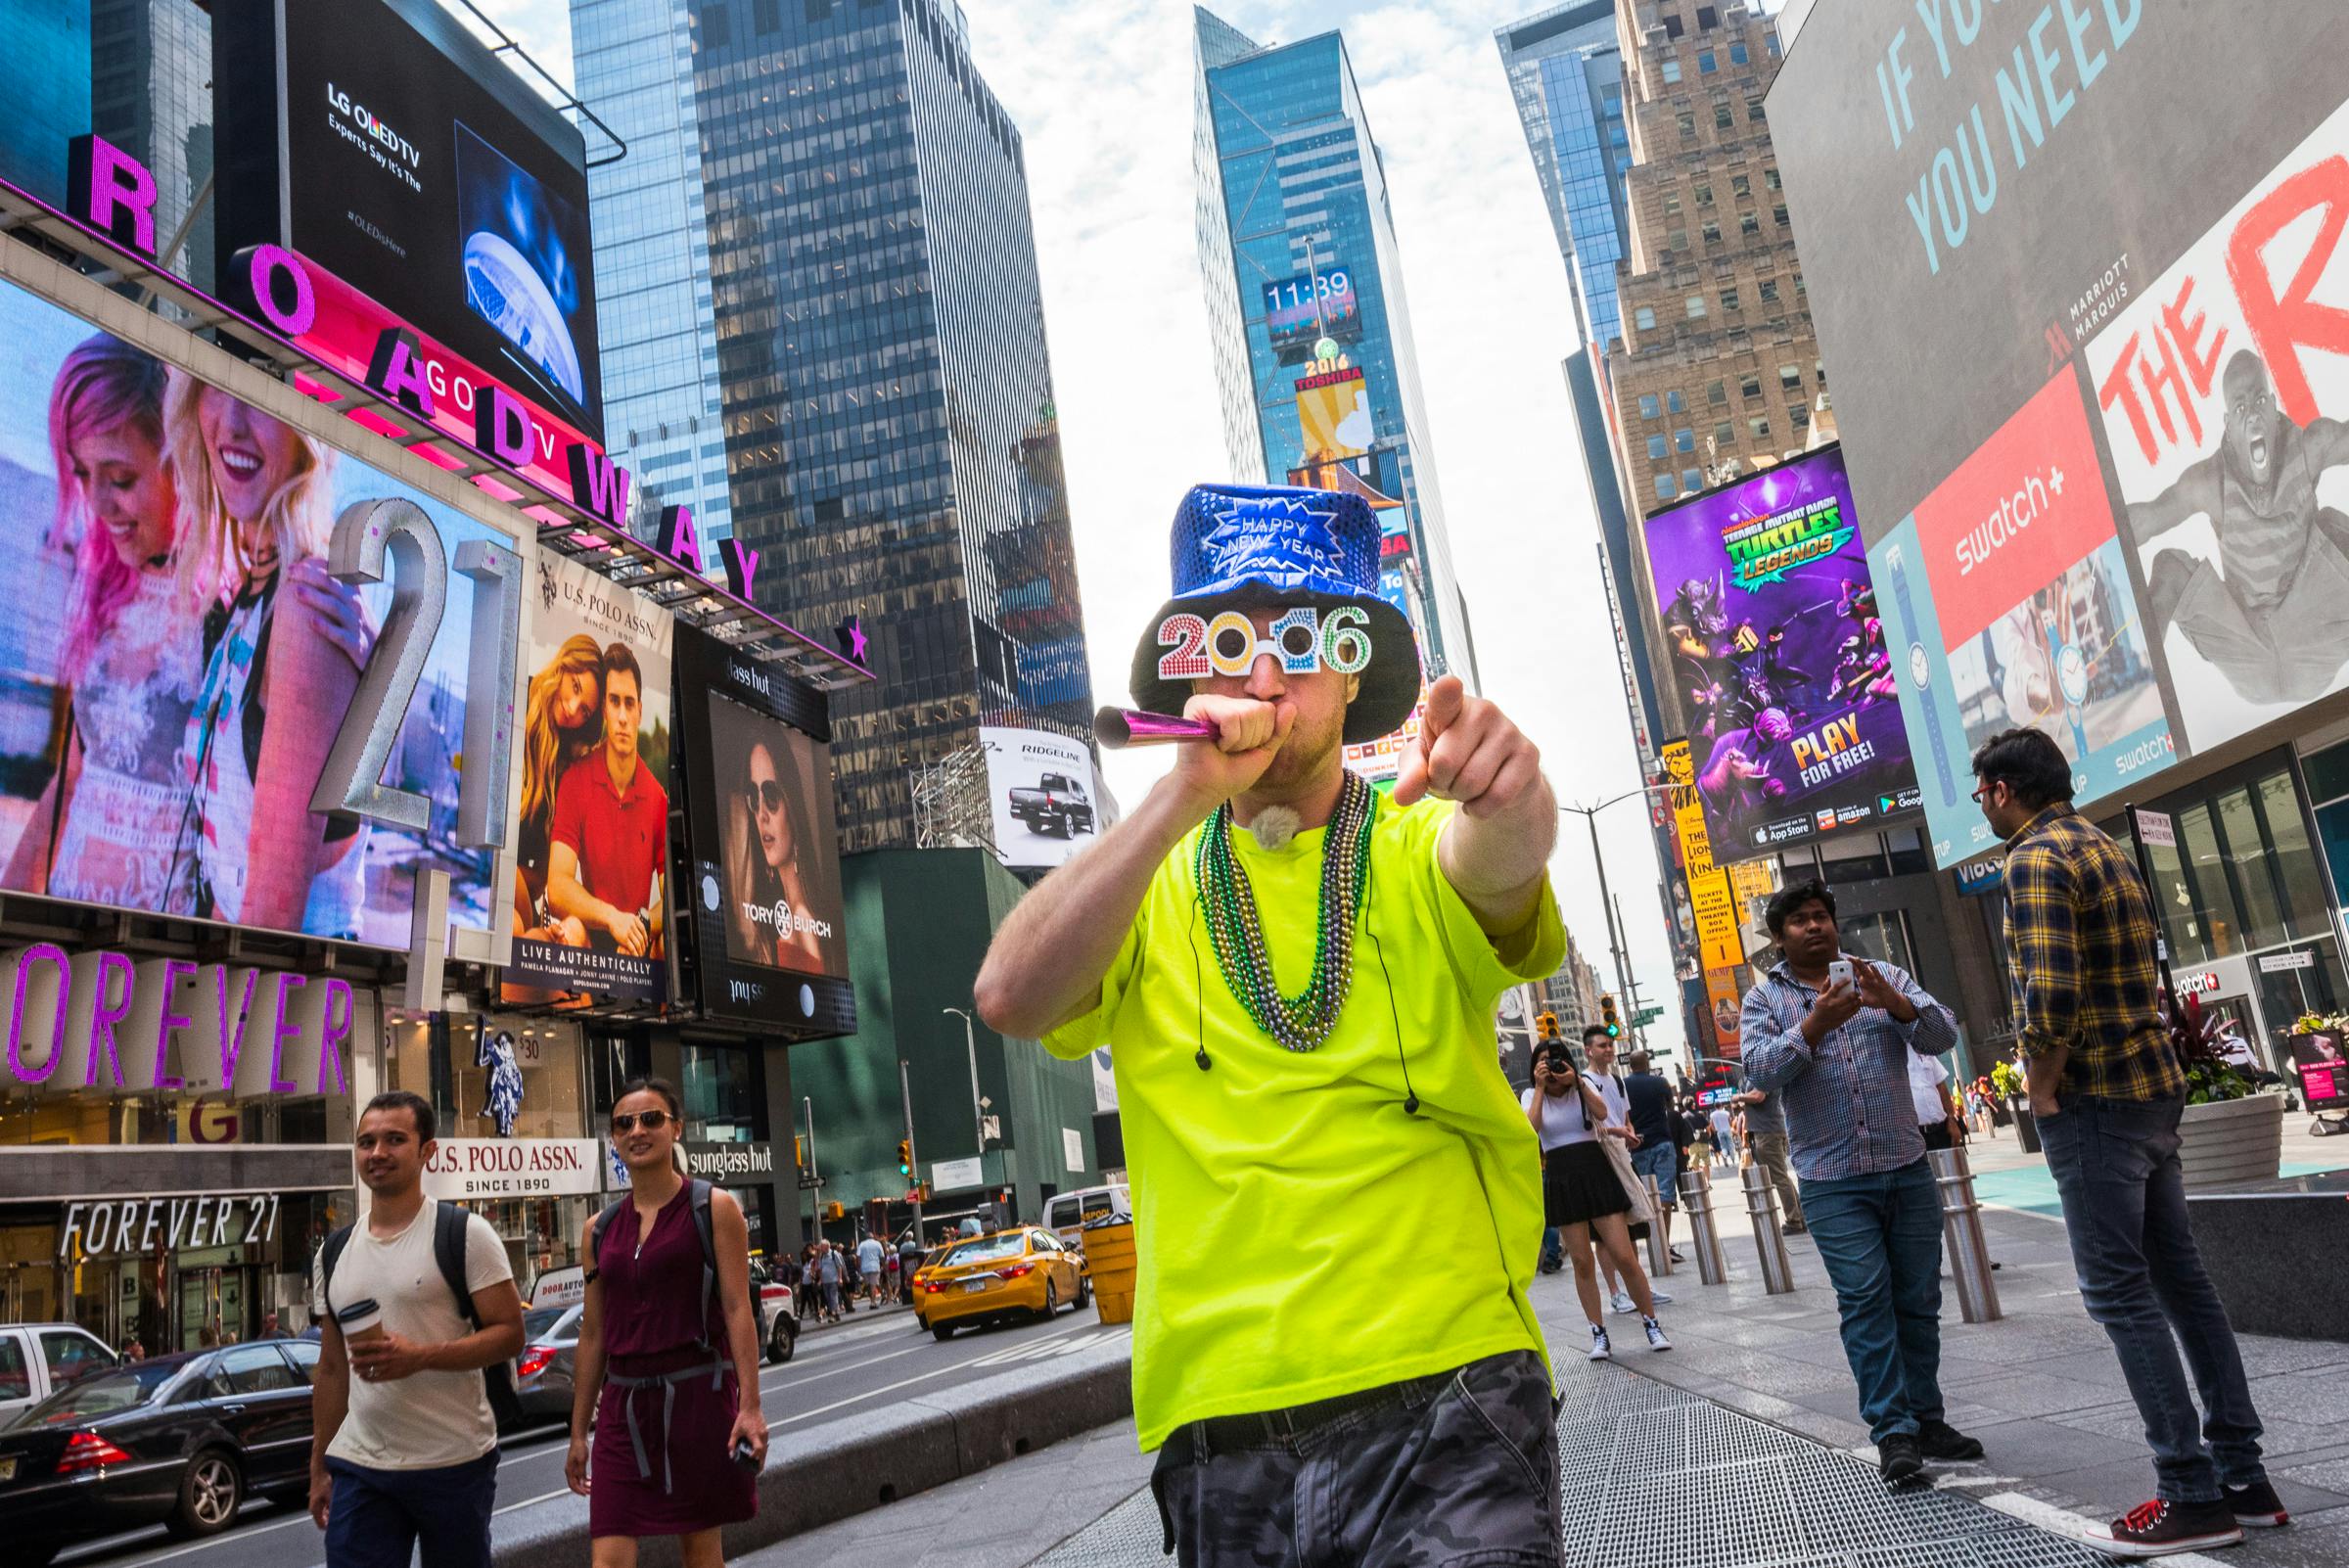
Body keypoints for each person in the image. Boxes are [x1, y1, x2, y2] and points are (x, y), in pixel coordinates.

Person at [975, 484, 1571, 1565]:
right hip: (1224, 1427)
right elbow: (1010, 994)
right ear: (1187, 671)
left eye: (1299, 637)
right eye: (1229, 640)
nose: (1262, 672)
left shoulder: (1414, 846)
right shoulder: (1146, 882)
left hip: (1453, 1392)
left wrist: (1510, 786)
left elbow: (1503, 856)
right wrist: (1180, 795)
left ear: (1352, 672)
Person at [1975, 727, 2281, 1554]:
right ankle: (2245, 1479)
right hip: (2150, 1091)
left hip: (2098, 1099)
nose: (1980, 806)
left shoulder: (2034, 859)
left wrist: (2040, 1089)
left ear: (2004, 790)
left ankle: (2191, 1492)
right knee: (2183, 1283)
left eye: (1982, 793)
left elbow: (2053, 989)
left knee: (2118, 1292)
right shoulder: (2106, 846)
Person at [10, 340, 363, 911]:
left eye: (122, 478)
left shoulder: (246, 605)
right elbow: (70, 783)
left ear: (177, 455)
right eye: (82, 474)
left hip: (161, 964)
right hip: (65, 938)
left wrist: (372, 679)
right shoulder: (109, 594)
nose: (97, 502)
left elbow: (273, 881)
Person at [1741, 881, 1983, 1489]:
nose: (1814, 927)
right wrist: (1814, 1024)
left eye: (1821, 916)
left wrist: (1897, 1005)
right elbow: (1763, 1070)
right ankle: (1894, 1433)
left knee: (1918, 1299)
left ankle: (1928, 1419)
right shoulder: (1764, 1001)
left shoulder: (1884, 975)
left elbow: (1944, 1034)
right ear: (1779, 936)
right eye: (1799, 921)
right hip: (1831, 1180)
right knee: (1866, 1300)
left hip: (1904, 1167)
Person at [167, 381, 368, 936]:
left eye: (261, 395)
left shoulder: (308, 602)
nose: (232, 423)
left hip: (284, 1007)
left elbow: (269, 926)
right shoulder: (245, 603)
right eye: (214, 386)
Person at [308, 1090, 524, 1568]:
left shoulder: (465, 1235)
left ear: (428, 1151)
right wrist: (320, 1463)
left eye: (394, 1140)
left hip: (454, 1461)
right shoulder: (334, 1252)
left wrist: (421, 1356)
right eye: (366, 1142)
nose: (378, 1153)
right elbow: (330, 1368)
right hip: (363, 1465)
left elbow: (511, 1334)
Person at [566, 1078, 765, 1566]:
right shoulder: (599, 1229)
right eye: (624, 1123)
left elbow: (738, 1308)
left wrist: (751, 1407)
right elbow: (593, 1334)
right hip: (621, 1410)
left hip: (697, 1398)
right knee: (608, 1556)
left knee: (700, 1554)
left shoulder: (713, 1207)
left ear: (676, 1128)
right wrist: (578, 1433)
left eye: (651, 1118)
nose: (637, 1130)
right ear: (613, 1138)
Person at [2120, 348, 2349, 708]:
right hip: (2248, 652)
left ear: (2274, 409)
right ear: (2228, 425)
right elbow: (2146, 520)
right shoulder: (2210, 482)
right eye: (2241, 409)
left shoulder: (2310, 447)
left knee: (2336, 529)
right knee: (2168, 570)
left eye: (2259, 402)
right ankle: (2138, 693)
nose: (2253, 417)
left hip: (2312, 639)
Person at [1524, 1042, 1670, 1361]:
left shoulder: (1582, 1086)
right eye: (1543, 1064)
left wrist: (1576, 1081)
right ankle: (1598, 1333)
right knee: (1581, 1262)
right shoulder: (1530, 1095)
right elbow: (1531, 1128)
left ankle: (1651, 1323)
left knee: (1624, 1254)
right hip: (1562, 1177)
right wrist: (1538, 1088)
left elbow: (1602, 1112)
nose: (1551, 1068)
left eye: (1556, 1062)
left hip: (1596, 1172)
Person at [547, 643, 668, 965]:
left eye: (630, 704)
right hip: (592, 933)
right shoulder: (575, 781)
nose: (623, 717)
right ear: (604, 710)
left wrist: (640, 926)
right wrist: (613, 919)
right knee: (569, 930)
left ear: (640, 710)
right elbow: (557, 886)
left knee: (670, 939)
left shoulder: (658, 799)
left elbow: (672, 896)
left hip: (638, 942)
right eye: (614, 702)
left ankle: (665, 1015)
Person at [513, 632, 604, 948]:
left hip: (517, 896)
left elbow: (544, 880)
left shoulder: (563, 769)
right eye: (575, 687)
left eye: (586, 712)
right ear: (565, 665)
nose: (573, 708)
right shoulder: (514, 696)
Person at [1581, 1029, 1670, 1314]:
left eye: (1610, 1044)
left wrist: (1628, 1132)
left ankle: (1637, 1285)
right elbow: (1587, 1127)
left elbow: (1625, 1118)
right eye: (1602, 1045)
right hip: (1600, 1161)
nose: (1608, 1049)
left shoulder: (1617, 1081)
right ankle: (1616, 1293)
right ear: (1588, 1050)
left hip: (1623, 1156)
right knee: (1603, 1234)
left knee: (1631, 1226)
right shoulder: (1584, 1082)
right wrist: (1619, 1130)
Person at [726, 738, 827, 970]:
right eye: (754, 796)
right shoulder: (782, 915)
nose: (762, 814)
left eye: (771, 796)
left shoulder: (801, 919)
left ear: (792, 805)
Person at [1622, 1049, 1683, 1263]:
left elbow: (1622, 1114)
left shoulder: (1623, 1085)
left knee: (1645, 1195)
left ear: (1630, 1065)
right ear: (1647, 1063)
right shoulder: (1660, 1083)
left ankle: (1653, 1244)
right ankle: (1663, 1244)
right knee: (1665, 1193)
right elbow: (1671, 1107)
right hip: (1661, 1141)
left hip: (1637, 1145)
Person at [1737, 1084, 1808, 1233]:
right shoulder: (1761, 1071)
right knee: (1781, 1177)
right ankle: (1799, 1217)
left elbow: (1758, 1096)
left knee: (1780, 1178)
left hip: (1767, 1132)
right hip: (1768, 1130)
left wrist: (1738, 1097)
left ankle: (1794, 1220)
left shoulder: (1761, 1071)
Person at [1910, 1050, 1964, 1152]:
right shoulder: (1891, 1057)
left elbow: (1941, 1086)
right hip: (1913, 1135)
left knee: (1948, 1167)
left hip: (1941, 1129)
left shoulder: (1925, 1052)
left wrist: (1951, 1120)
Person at [811, 1242, 844, 1322]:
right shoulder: (822, 1256)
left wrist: (840, 1278)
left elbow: (839, 1266)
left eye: (821, 1247)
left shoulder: (834, 1254)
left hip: (833, 1280)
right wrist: (821, 1280)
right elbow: (820, 1269)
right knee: (828, 1298)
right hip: (825, 1281)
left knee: (833, 1296)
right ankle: (835, 1314)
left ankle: (833, 1315)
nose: (820, 1249)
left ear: (826, 1247)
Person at [855, 1231, 886, 1311]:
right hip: (874, 1266)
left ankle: (873, 1301)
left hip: (864, 1268)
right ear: (873, 1237)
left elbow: (858, 1256)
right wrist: (884, 1265)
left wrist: (859, 1267)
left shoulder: (862, 1244)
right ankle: (873, 1302)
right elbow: (882, 1256)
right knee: (873, 1285)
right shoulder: (877, 1244)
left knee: (868, 1285)